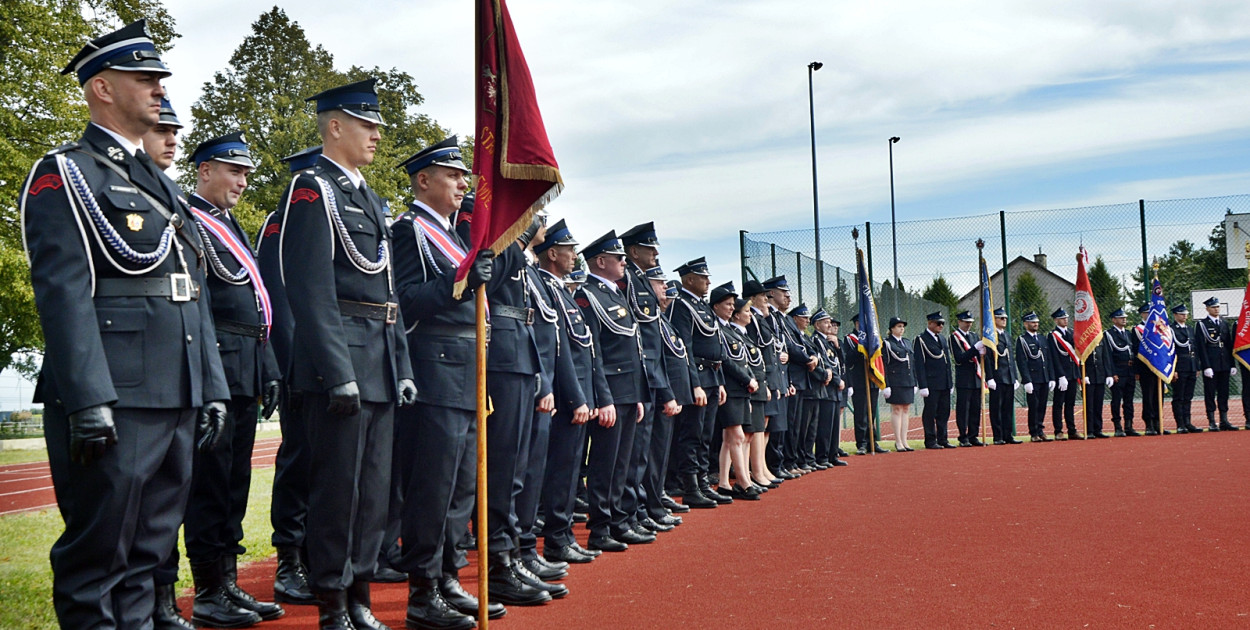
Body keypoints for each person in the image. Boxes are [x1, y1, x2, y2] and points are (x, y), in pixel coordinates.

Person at [22, 20, 230, 628]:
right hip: (118, 395)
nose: (159, 90)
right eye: (145, 78)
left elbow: (193, 294)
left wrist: (211, 386)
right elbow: (62, 293)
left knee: (147, 555)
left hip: (177, 393)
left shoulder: (161, 187)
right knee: (99, 558)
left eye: (160, 79)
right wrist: (88, 399)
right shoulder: (67, 172)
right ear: (102, 88)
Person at [279, 78, 416, 630]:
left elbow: (388, 296)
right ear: (335, 126)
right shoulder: (313, 190)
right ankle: (333, 602)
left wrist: (401, 366)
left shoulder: (368, 198)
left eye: (378, 127)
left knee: (373, 493)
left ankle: (359, 594)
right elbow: (309, 289)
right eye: (367, 125)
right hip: (342, 368)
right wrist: (338, 373)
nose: (377, 136)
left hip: (380, 362)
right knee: (337, 492)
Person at [389, 138, 504, 628]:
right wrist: (459, 280)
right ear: (423, 180)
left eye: (463, 176)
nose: (463, 183)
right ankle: (422, 593)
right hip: (435, 364)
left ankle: (448, 575)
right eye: (453, 175)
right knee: (432, 486)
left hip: (467, 362)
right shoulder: (408, 230)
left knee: (460, 486)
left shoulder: (455, 234)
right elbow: (407, 302)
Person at [184, 131, 284, 627]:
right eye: (233, 171)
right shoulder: (188, 218)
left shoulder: (230, 225)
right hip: (215, 365)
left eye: (245, 173)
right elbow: (199, 305)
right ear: (204, 170)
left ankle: (228, 583)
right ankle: (207, 591)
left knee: (235, 483)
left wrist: (267, 366)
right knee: (210, 483)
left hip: (246, 361)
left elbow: (257, 303)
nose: (242, 181)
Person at [258, 145, 321, 607]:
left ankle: (318, 555)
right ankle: (290, 560)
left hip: (327, 365)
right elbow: (278, 303)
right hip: (303, 366)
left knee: (327, 467)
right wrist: (290, 368)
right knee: (300, 463)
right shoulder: (282, 224)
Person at [537, 220, 608, 564]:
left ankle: (563, 536)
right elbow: (558, 349)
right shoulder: (547, 288)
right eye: (569, 251)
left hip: (579, 395)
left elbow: (585, 351)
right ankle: (555, 540)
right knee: (561, 473)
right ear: (552, 253)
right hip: (567, 399)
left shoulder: (562, 290)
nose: (575, 256)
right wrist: (576, 397)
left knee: (569, 473)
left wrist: (591, 397)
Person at [576, 231, 649, 550]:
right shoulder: (587, 295)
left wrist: (637, 393)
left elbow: (632, 346)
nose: (624, 262)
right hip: (609, 393)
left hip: (628, 391)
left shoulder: (617, 293)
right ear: (600, 261)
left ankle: (618, 520)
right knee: (605, 464)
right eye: (618, 257)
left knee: (623, 462)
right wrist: (603, 398)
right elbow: (593, 352)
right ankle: (601, 527)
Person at [618, 223, 678, 538]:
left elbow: (655, 334)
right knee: (635, 454)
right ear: (633, 251)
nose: (656, 254)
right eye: (650, 249)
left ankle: (643, 510)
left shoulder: (640, 281)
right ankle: (634, 513)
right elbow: (637, 337)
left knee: (643, 453)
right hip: (641, 376)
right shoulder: (626, 281)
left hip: (652, 376)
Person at [668, 257, 725, 508]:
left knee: (705, 435)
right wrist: (694, 384)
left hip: (712, 377)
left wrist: (719, 382)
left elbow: (717, 348)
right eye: (704, 278)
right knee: (691, 434)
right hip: (698, 377)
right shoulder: (681, 306)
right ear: (689, 280)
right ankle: (690, 485)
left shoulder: (701, 306)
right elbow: (685, 348)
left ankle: (702, 482)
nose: (708, 282)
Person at [713, 289, 763, 500]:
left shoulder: (730, 331)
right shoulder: (716, 328)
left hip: (741, 390)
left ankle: (724, 482)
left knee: (729, 438)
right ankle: (743, 482)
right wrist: (747, 379)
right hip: (730, 388)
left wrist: (751, 380)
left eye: (733, 304)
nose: (732, 308)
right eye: (727, 305)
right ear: (715, 306)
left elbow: (744, 360)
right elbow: (726, 360)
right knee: (737, 436)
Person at [743, 280, 785, 486]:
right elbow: (756, 350)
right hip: (762, 376)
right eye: (763, 297)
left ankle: (762, 467)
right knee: (757, 427)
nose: (767, 301)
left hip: (770, 375)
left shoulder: (762, 319)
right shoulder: (752, 319)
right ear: (752, 299)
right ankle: (756, 470)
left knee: (765, 426)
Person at [846, 314, 890, 454]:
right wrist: (862, 347)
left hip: (872, 379)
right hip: (859, 380)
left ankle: (873, 441)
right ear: (856, 324)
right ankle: (862, 443)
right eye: (861, 323)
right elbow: (849, 359)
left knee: (871, 414)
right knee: (861, 413)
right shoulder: (850, 339)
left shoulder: (873, 338)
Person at [785, 304, 821, 472]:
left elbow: (814, 351)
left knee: (801, 426)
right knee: (793, 425)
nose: (808, 320)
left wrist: (813, 358)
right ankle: (791, 462)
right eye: (804, 317)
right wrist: (809, 360)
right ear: (794, 319)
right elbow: (796, 351)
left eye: (808, 318)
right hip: (795, 381)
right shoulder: (792, 333)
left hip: (804, 382)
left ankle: (798, 460)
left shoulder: (803, 336)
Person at [1195, 296, 1238, 431]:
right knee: (1210, 392)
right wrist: (1206, 366)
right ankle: (1212, 421)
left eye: (1218, 307)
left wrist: (1232, 364)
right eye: (1213, 307)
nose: (1216, 309)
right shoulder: (1202, 324)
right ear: (1207, 309)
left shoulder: (1224, 323)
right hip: (1211, 363)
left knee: (1224, 392)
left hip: (1224, 362)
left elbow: (1228, 344)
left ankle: (1224, 419)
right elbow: (1201, 347)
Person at [811, 311, 847, 467]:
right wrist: (838, 380)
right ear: (817, 324)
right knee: (825, 425)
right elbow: (825, 363)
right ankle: (823, 456)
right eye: (826, 322)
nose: (829, 325)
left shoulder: (829, 341)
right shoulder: (817, 340)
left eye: (830, 322)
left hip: (835, 388)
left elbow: (840, 362)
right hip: (827, 386)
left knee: (833, 424)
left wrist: (838, 347)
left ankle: (833, 454)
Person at [914, 312, 954, 449]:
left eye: (942, 323)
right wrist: (922, 385)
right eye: (938, 323)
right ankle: (930, 440)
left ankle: (943, 438)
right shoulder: (921, 339)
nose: (941, 326)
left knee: (944, 411)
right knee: (931, 412)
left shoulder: (942, 339)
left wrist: (950, 382)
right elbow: (919, 364)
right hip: (931, 383)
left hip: (944, 382)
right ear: (930, 323)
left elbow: (947, 362)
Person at [1015, 312, 1054, 442]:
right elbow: (1021, 361)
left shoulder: (1042, 338)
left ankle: (1040, 429)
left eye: (1036, 321)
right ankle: (1034, 432)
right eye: (1032, 322)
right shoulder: (1022, 340)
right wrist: (1026, 380)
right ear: (1026, 324)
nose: (1035, 324)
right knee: (1034, 406)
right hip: (1033, 378)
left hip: (1044, 377)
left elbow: (1048, 360)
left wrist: (1051, 377)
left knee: (1042, 405)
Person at [986, 308, 1021, 444]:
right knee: (996, 408)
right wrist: (990, 378)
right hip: (997, 377)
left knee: (1008, 408)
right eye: (1001, 318)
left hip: (1009, 377)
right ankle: (998, 436)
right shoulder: (990, 335)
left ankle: (1008, 435)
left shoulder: (1006, 335)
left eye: (1005, 318)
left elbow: (1011, 358)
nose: (1004, 320)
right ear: (994, 319)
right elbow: (989, 359)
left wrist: (1015, 376)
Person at [949, 311, 984, 447]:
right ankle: (963, 436)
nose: (968, 324)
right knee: (963, 409)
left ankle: (973, 435)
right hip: (964, 378)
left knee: (976, 408)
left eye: (970, 322)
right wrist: (975, 349)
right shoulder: (954, 338)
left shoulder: (975, 336)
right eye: (965, 321)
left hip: (976, 377)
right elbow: (959, 359)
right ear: (959, 322)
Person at [1104, 309, 1140, 437]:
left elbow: (1133, 353)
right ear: (1114, 319)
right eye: (1120, 317)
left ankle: (1129, 426)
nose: (1124, 319)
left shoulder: (1129, 334)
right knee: (1116, 400)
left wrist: (1136, 371)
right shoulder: (1109, 334)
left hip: (1130, 371)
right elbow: (1108, 356)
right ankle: (1118, 426)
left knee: (1129, 400)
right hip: (1118, 371)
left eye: (1124, 317)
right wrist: (1112, 373)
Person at [881, 317, 916, 451]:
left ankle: (905, 440)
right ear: (892, 329)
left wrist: (915, 381)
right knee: (897, 409)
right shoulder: (887, 343)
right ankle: (898, 441)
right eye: (899, 326)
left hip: (907, 380)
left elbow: (912, 363)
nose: (902, 329)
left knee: (906, 409)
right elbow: (885, 365)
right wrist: (886, 384)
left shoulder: (907, 342)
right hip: (895, 380)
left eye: (903, 326)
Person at [1046, 308, 1081, 439]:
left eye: (1066, 318)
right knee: (1058, 404)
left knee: (1070, 403)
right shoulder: (1053, 335)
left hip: (1072, 373)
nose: (1065, 320)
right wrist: (1060, 375)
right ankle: (1058, 431)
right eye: (1062, 318)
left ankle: (1072, 430)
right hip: (1061, 375)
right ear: (1056, 320)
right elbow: (1054, 357)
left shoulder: (1072, 332)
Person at [1133, 304, 1164, 435]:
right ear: (1143, 314)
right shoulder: (1138, 330)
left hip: (1159, 367)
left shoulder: (1160, 328)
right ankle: (1149, 423)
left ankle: (1158, 422)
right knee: (1148, 396)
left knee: (1159, 396)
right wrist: (1137, 371)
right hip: (1145, 368)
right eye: (1147, 312)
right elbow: (1136, 350)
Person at [1170, 305, 1201, 433]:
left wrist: (1197, 366)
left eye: (1186, 314)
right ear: (1175, 315)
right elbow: (1170, 351)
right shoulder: (1171, 330)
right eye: (1182, 314)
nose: (1184, 316)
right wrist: (1174, 369)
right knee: (1179, 396)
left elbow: (1195, 348)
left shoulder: (1189, 329)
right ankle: (1180, 423)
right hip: (1180, 365)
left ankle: (1188, 422)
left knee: (1188, 396)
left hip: (1191, 365)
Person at [1081, 329, 1113, 439]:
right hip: (1088, 375)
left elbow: (1106, 356)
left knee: (1098, 404)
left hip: (1100, 375)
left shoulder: (1100, 337)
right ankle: (1089, 430)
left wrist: (1109, 374)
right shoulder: (1083, 338)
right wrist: (1083, 374)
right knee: (1089, 405)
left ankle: (1098, 428)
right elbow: (1080, 357)